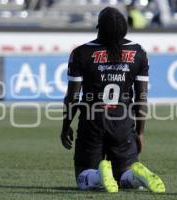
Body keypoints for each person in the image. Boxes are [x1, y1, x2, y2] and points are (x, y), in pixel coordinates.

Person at [60, 7, 165, 193]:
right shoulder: (138, 53)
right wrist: (140, 132)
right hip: (123, 124)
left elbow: (73, 97)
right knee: (124, 174)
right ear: (124, 28)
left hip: (92, 123)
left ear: (98, 27)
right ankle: (136, 176)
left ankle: (100, 176)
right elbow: (141, 98)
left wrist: (66, 125)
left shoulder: (81, 53)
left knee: (84, 176)